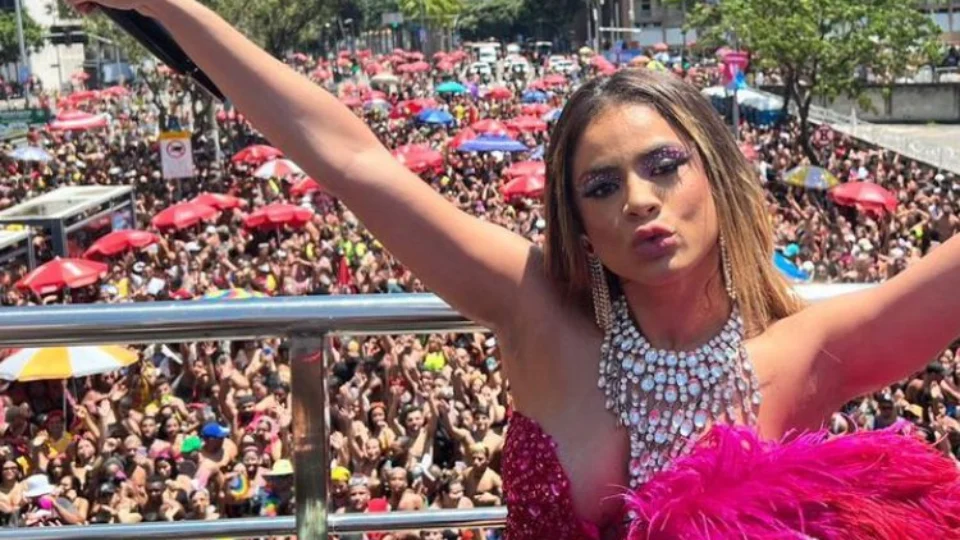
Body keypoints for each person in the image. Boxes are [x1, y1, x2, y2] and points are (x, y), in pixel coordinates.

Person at [63, 1, 960, 537]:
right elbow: (351, 158)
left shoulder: (813, 352)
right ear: (578, 224)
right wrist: (168, 7)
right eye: (601, 186)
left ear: (716, 175)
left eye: (663, 166)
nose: (639, 201)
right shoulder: (535, 308)